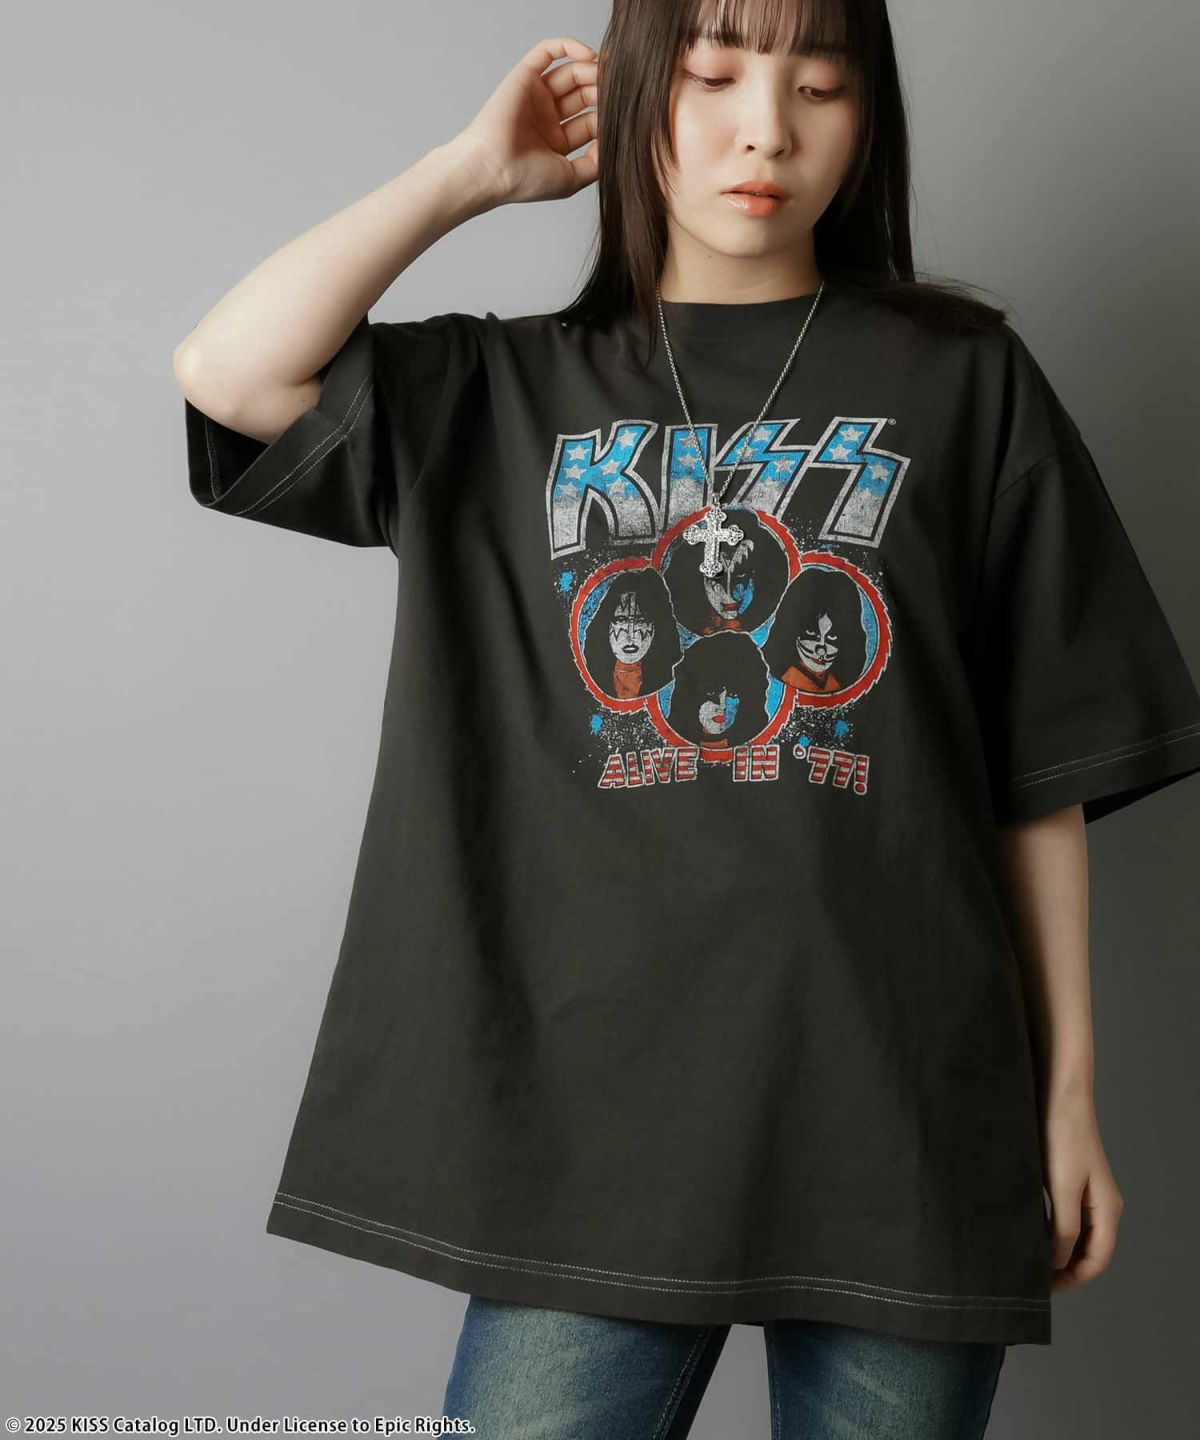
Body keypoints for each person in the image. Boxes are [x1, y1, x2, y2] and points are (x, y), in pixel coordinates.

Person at [171, 0, 1200, 1435]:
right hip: (587, 1126)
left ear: (869, 117)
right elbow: (229, 374)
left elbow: (1039, 770)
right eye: (713, 77)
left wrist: (1067, 1099)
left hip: (902, 1108)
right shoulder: (499, 389)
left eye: (820, 86)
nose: (765, 130)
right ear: (639, 91)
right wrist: (471, 173)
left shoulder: (964, 382)